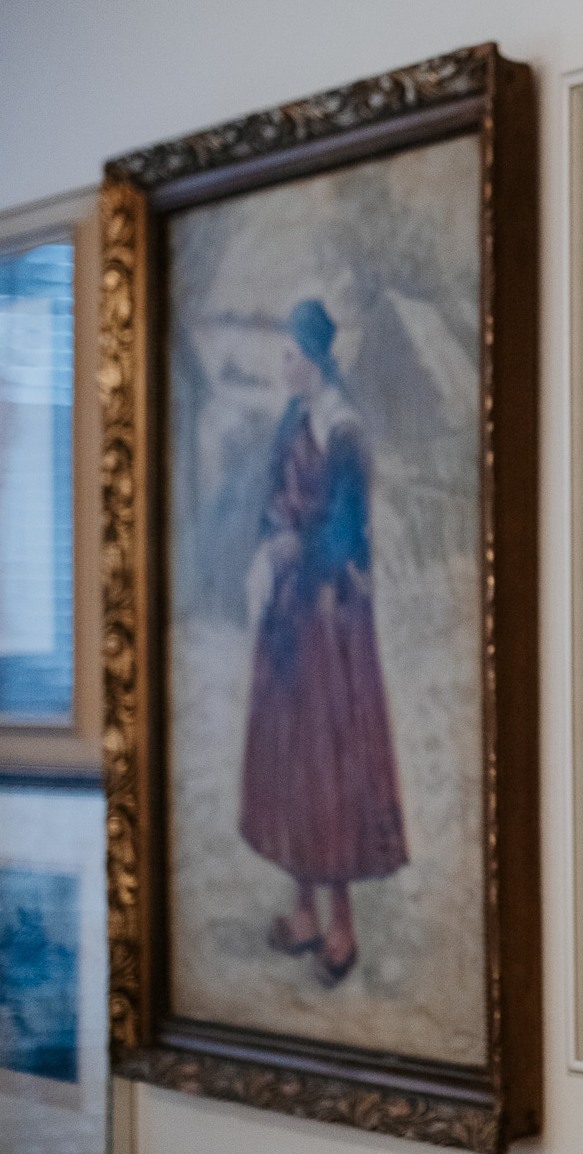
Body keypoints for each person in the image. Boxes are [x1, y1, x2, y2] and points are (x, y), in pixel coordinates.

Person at [238, 298, 407, 988]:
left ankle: (342, 927)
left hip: (330, 619)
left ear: (313, 360)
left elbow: (344, 534)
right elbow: (272, 497)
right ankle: (304, 912)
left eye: (289, 355)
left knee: (332, 765)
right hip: (290, 617)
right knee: (293, 763)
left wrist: (294, 549)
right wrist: (272, 540)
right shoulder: (293, 419)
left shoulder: (344, 430)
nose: (282, 366)